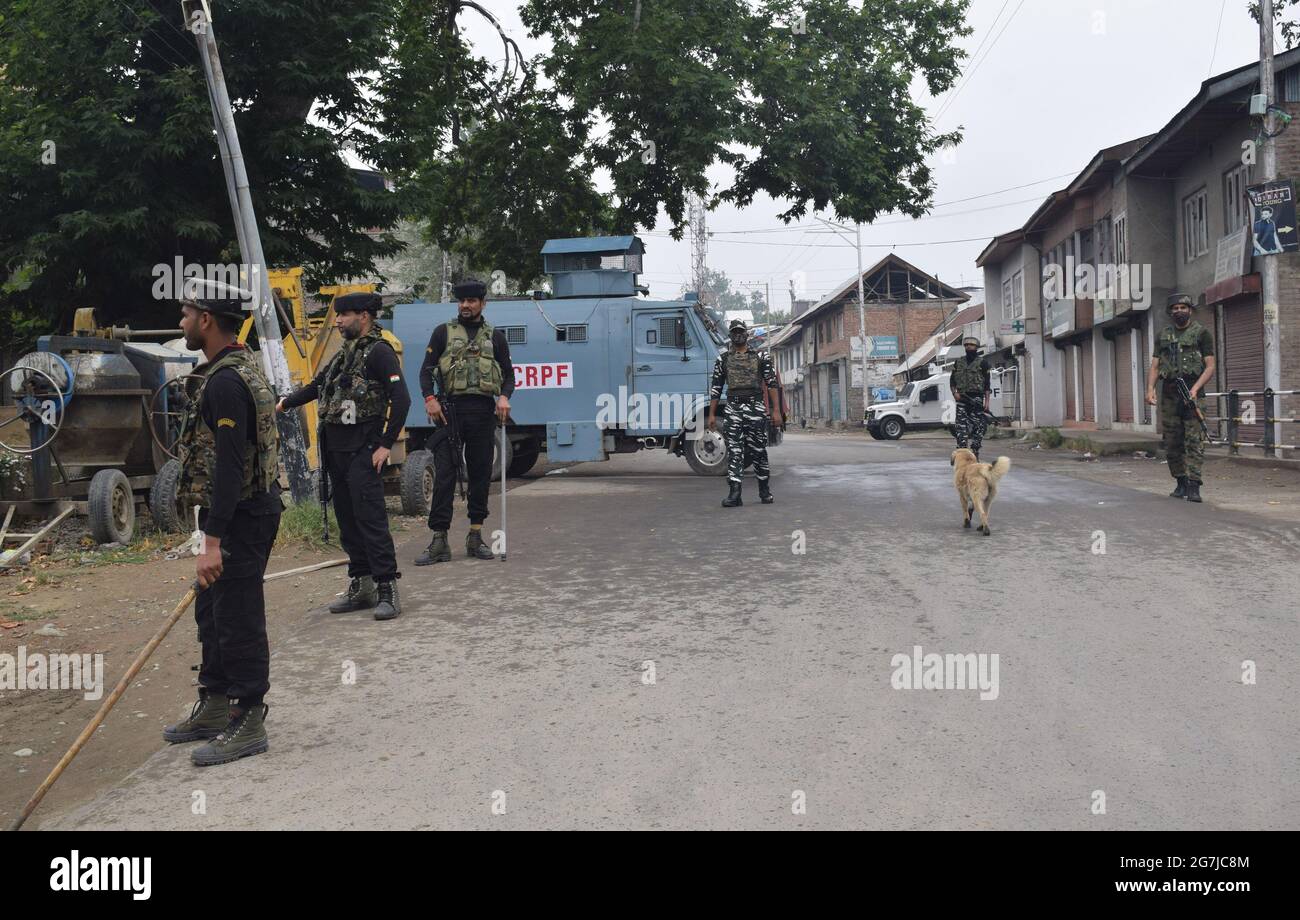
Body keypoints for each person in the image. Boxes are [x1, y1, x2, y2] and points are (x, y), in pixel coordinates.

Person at [163, 291, 281, 767]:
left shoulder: (226, 384)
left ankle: (248, 717)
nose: (182, 320)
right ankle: (213, 703)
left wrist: (212, 542)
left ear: (206, 320)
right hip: (232, 512)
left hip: (243, 516)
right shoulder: (234, 368)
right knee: (211, 612)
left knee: (238, 617)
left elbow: (231, 468)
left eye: (187, 315)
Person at [278, 292, 410, 619]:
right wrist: (285, 403)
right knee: (348, 521)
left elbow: (402, 399)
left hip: (363, 450)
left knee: (371, 520)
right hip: (336, 451)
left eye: (344, 315)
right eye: (337, 316)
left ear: (364, 316)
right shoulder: (342, 356)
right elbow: (318, 386)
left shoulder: (380, 352)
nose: (337, 321)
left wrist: (384, 444)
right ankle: (361, 585)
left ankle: (386, 589)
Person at [415, 279, 515, 563]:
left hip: (483, 412)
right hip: (450, 411)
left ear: (483, 303)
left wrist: (504, 397)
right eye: (462, 301)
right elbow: (426, 371)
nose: (466, 306)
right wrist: (429, 399)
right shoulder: (442, 333)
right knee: (445, 475)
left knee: (481, 475)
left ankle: (475, 535)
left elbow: (509, 375)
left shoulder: (495, 336)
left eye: (472, 301)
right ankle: (439, 541)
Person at [1146, 293, 1215, 503]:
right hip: (1169, 394)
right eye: (1175, 308)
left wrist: (1195, 388)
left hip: (1192, 394)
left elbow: (1210, 366)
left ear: (1190, 310)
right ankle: (1181, 481)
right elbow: (1156, 365)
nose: (1179, 311)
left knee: (1194, 441)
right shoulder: (1163, 335)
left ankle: (1194, 486)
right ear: (1170, 312)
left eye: (1183, 308)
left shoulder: (1201, 333)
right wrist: (1150, 388)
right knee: (1173, 441)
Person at [708, 319, 781, 507]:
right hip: (733, 408)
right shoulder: (722, 360)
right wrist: (712, 414)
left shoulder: (760, 357)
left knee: (758, 450)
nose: (738, 334)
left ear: (746, 334)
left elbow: (771, 383)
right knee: (734, 451)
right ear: (730, 335)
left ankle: (764, 491)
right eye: (734, 332)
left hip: (755, 406)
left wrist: (776, 411)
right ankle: (735, 493)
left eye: (741, 331)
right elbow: (716, 387)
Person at [950, 335, 991, 459]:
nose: (969, 347)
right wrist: (954, 393)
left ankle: (975, 450)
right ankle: (961, 453)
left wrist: (987, 402)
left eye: (971, 345)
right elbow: (952, 380)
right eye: (966, 345)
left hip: (976, 399)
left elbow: (987, 384)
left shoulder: (983, 363)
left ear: (976, 347)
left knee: (980, 426)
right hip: (962, 398)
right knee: (960, 428)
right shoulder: (958, 362)